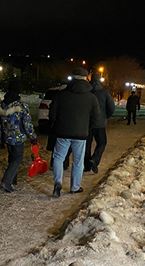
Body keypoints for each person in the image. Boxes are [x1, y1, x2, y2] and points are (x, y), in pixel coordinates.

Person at [49, 68, 100, 198]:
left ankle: (57, 183)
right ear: (86, 79)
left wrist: (58, 124)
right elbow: (96, 118)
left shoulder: (60, 95)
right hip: (81, 134)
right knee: (78, 161)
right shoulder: (91, 98)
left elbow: (52, 115)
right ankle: (75, 187)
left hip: (62, 133)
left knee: (58, 158)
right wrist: (86, 128)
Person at [0, 80, 38, 193]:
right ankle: (7, 181)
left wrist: (0, 138)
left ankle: (13, 179)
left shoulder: (1, 105)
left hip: (7, 137)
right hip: (18, 138)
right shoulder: (22, 106)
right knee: (17, 159)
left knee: (11, 158)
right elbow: (27, 124)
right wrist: (33, 136)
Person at [84, 73, 115, 174]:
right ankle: (95, 159)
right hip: (100, 124)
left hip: (87, 123)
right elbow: (111, 108)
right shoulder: (105, 93)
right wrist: (105, 116)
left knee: (87, 145)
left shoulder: (86, 92)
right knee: (101, 143)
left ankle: (87, 166)